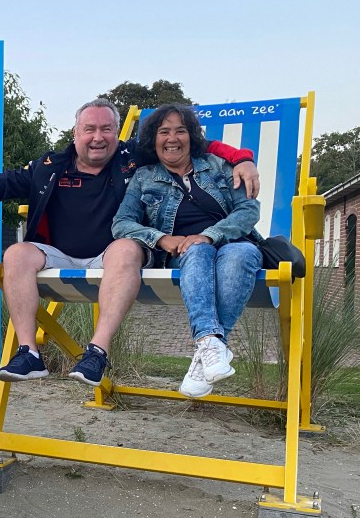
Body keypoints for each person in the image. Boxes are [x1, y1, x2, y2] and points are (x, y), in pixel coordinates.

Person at [0, 98, 260, 386]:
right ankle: (28, 353)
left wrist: (242, 158)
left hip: (112, 257)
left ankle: (97, 353)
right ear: (75, 133)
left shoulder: (134, 158)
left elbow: (191, 143)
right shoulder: (49, 166)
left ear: (117, 133)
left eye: (106, 129)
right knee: (16, 254)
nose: (98, 137)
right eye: (89, 129)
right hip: (58, 255)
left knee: (126, 246)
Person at [112, 104, 262, 398]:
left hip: (234, 243)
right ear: (153, 140)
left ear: (191, 136)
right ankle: (211, 345)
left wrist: (209, 235)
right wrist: (161, 239)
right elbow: (122, 223)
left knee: (241, 255)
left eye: (180, 131)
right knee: (197, 251)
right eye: (164, 132)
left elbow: (248, 210)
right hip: (184, 254)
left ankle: (206, 349)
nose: (172, 138)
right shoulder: (144, 177)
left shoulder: (218, 165)